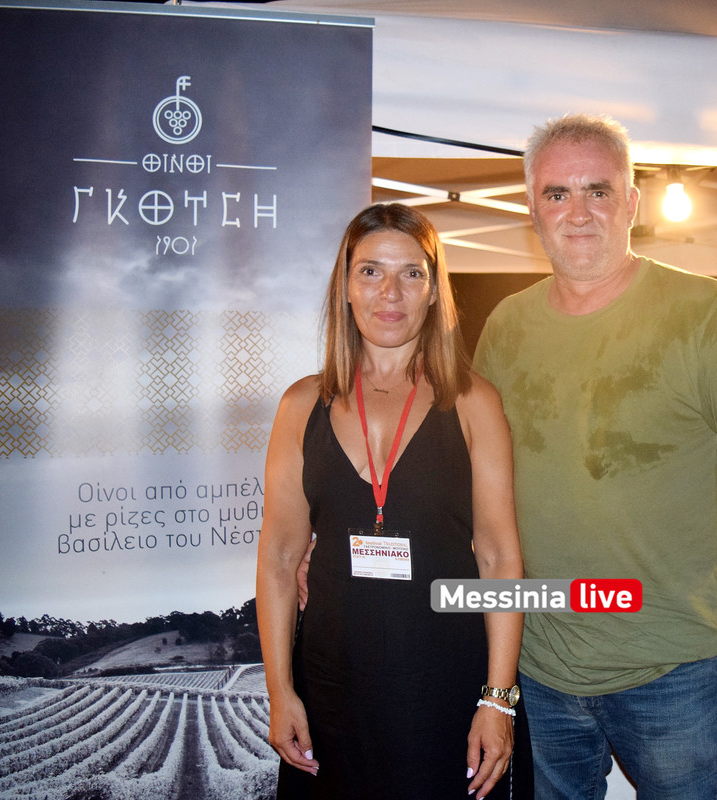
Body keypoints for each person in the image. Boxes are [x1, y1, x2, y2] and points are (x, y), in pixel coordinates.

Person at [472, 114, 717, 799]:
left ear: (631, 202)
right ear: (531, 208)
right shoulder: (505, 327)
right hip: (539, 668)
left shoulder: (703, 310)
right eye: (557, 193)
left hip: (675, 670)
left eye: (597, 190)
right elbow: (471, 482)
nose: (578, 212)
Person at [257, 204, 531, 799]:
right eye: (370, 272)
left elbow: (500, 559)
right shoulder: (300, 406)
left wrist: (498, 699)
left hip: (449, 693)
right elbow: (279, 558)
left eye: (411, 273)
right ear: (345, 286)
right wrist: (281, 692)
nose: (391, 293)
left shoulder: (473, 402)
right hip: (332, 694)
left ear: (434, 291)